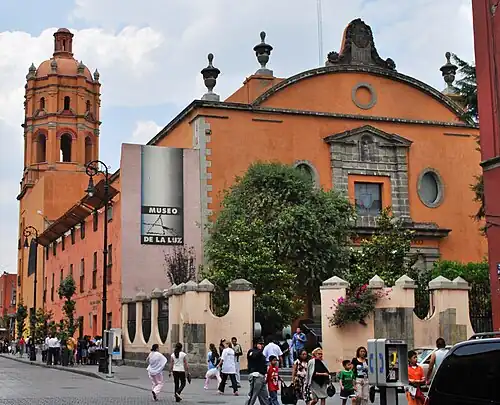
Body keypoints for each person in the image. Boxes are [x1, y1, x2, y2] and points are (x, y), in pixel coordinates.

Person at [246, 339, 270, 405]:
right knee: (253, 395)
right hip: (255, 375)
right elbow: (254, 356)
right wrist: (260, 350)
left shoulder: (262, 353)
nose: (261, 345)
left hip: (262, 376)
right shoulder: (252, 351)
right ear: (255, 344)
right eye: (260, 344)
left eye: (262, 344)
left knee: (264, 395)